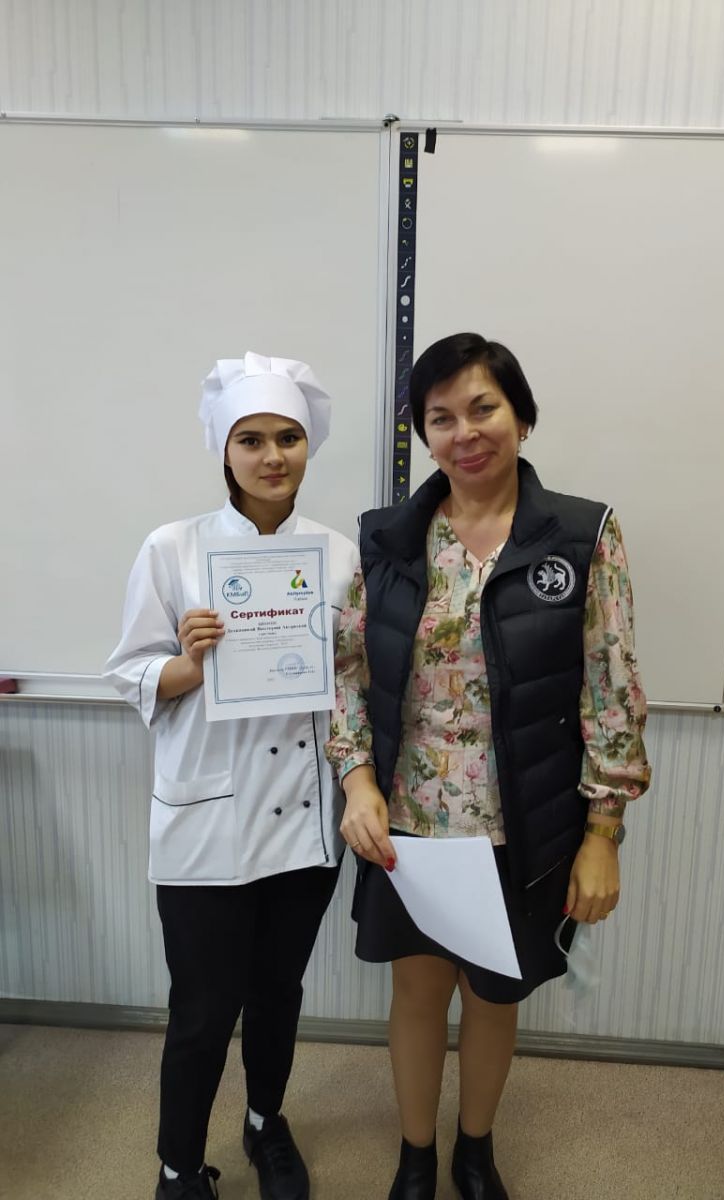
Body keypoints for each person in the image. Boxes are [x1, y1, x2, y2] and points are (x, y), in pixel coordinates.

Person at [326, 332, 652, 1200]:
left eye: (483, 409)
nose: (464, 432)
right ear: (424, 436)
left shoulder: (581, 535)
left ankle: (475, 1150)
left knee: (495, 995)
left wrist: (603, 832)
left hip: (523, 819)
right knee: (417, 993)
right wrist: (356, 779)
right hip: (408, 820)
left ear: (522, 417)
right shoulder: (388, 539)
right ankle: (415, 1156)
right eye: (441, 418)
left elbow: (613, 687)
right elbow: (347, 672)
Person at [105, 352, 358, 1200]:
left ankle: (264, 1123)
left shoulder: (340, 556)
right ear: (224, 448)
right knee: (204, 1010)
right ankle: (179, 1166)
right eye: (251, 439)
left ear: (309, 445)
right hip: (207, 821)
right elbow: (131, 671)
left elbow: (351, 686)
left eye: (288, 437)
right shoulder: (172, 548)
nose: (272, 455)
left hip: (303, 819)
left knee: (278, 991)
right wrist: (188, 663)